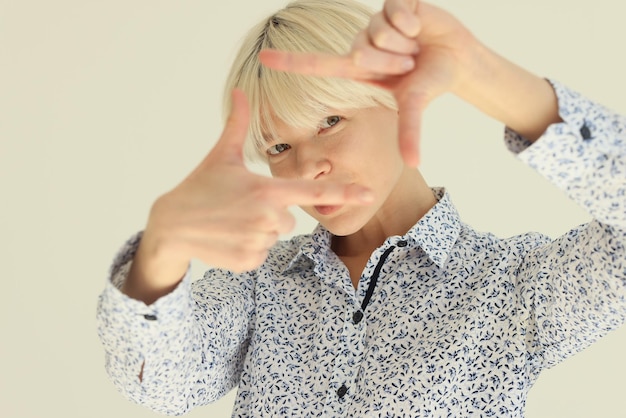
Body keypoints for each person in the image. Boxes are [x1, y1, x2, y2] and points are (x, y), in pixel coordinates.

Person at [97, 0, 626, 416]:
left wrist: (482, 73)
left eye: (329, 122)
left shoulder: (510, 286)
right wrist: (161, 249)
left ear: (397, 96)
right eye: (279, 148)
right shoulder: (258, 284)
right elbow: (162, 382)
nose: (307, 167)